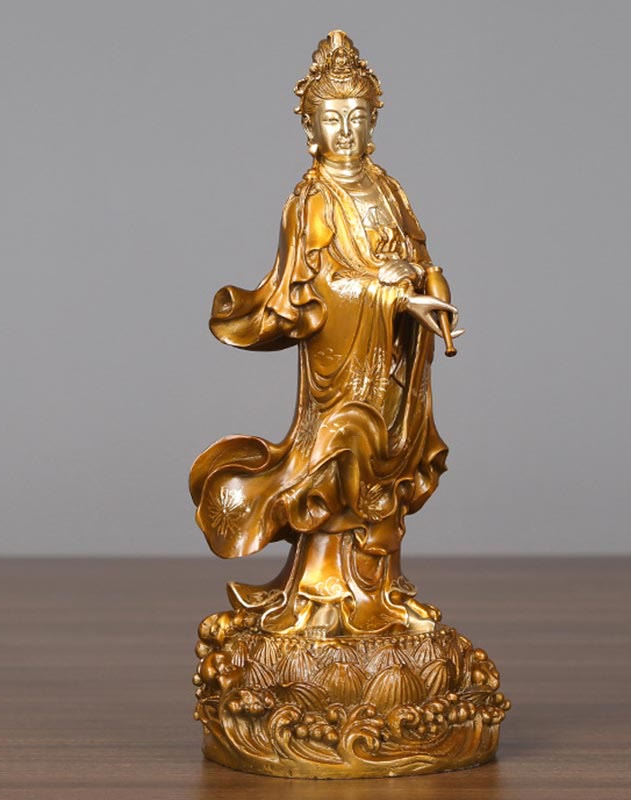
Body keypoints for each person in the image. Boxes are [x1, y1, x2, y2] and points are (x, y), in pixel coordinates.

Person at [190, 31, 462, 637]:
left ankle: (380, 591)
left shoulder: (388, 188)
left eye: (357, 118)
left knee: (387, 471)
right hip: (343, 363)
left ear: (373, 124)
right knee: (341, 459)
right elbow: (319, 285)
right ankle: (321, 595)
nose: (345, 131)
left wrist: (431, 291)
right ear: (311, 129)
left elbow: (419, 255)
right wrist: (391, 295)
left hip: (393, 355)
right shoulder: (312, 198)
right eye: (333, 119)